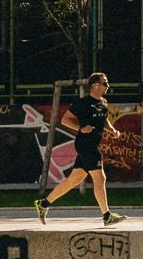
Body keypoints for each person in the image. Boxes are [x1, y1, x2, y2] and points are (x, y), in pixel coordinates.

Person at [34, 72, 124, 227]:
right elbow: (65, 120)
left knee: (73, 180)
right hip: (85, 144)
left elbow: (104, 119)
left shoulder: (103, 102)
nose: (108, 86)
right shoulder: (83, 103)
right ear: (95, 85)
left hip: (92, 144)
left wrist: (112, 130)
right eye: (105, 83)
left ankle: (44, 204)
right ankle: (107, 216)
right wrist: (81, 128)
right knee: (100, 178)